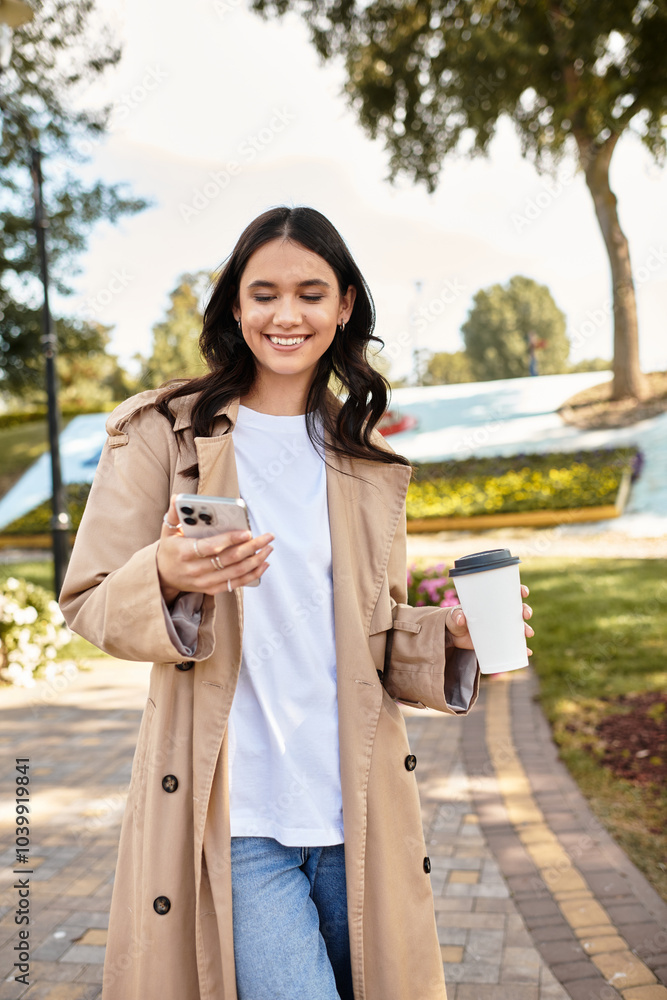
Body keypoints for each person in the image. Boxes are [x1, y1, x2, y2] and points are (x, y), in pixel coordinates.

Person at [60, 205, 534, 1000]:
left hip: (356, 808)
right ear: (235, 307)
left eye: (311, 293)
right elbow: (89, 601)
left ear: (344, 305)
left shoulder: (366, 462)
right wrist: (170, 574)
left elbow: (371, 638)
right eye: (264, 293)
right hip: (233, 813)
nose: (287, 315)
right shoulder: (162, 433)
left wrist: (451, 634)